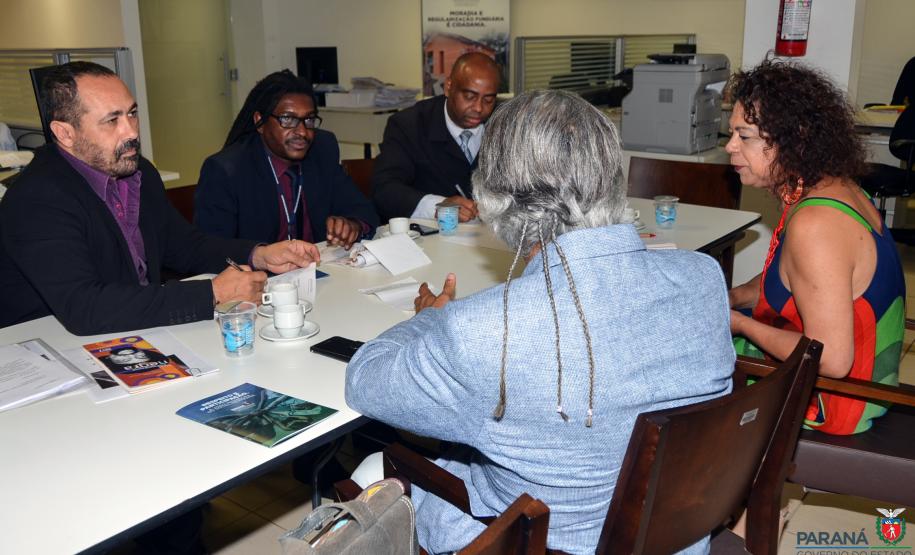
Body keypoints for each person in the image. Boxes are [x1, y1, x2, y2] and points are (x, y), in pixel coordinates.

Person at [345, 89, 734, 554]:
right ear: (613, 177)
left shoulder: (484, 330)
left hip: (539, 542)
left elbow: (364, 382)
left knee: (371, 468)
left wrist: (430, 321)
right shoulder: (703, 277)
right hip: (675, 535)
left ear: (494, 198)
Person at [0, 62, 320, 335]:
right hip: (45, 352)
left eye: (132, 113)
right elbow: (85, 307)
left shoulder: (139, 172)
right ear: (65, 133)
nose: (131, 132)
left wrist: (259, 255)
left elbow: (183, 246)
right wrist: (212, 293)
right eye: (112, 120)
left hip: (128, 332)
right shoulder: (37, 199)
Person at [726, 60, 906, 435]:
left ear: (795, 138)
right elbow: (798, 275)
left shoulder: (816, 224)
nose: (730, 148)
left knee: (685, 381)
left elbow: (830, 359)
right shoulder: (834, 187)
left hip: (835, 403)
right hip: (869, 384)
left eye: (745, 136)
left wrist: (740, 324)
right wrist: (737, 295)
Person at [195, 70, 378, 249]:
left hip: (318, 270)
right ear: (260, 121)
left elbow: (363, 209)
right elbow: (212, 249)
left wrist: (353, 225)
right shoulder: (226, 170)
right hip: (261, 276)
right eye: (288, 120)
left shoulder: (322, 149)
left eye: (309, 120)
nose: (302, 132)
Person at [371, 52, 500, 222]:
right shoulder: (409, 125)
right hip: (433, 236)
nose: (478, 107)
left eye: (488, 100)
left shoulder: (505, 123)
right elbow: (385, 190)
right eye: (469, 96)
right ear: (448, 87)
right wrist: (439, 206)